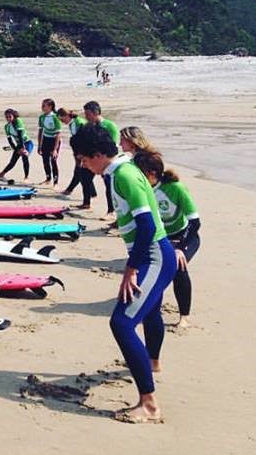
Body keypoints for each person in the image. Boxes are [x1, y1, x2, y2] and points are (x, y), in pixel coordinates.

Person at [71, 123, 176, 424]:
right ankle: (152, 362)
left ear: (99, 154)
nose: (83, 164)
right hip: (153, 254)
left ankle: (149, 405)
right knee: (151, 312)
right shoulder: (121, 169)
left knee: (122, 323)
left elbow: (145, 226)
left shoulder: (124, 175)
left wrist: (131, 270)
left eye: (83, 158)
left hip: (153, 256)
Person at [133, 150, 201, 330]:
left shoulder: (175, 188)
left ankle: (184, 316)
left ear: (151, 173)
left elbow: (195, 222)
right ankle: (149, 306)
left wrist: (180, 248)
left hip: (185, 236)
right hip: (159, 238)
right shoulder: (140, 189)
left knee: (179, 266)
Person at [85, 101, 121, 218]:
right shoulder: (91, 126)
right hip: (95, 160)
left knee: (109, 186)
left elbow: (113, 145)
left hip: (108, 161)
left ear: (95, 113)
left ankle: (111, 211)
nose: (86, 117)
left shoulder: (109, 126)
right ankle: (88, 201)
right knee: (85, 179)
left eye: (88, 114)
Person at [58, 107, 97, 209]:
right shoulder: (73, 123)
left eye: (62, 119)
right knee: (83, 173)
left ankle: (85, 199)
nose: (62, 122)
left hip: (86, 151)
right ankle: (91, 194)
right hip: (83, 151)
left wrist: (78, 155)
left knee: (83, 173)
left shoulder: (77, 123)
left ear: (67, 116)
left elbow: (80, 140)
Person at [0, 108, 31, 180]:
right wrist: (15, 149)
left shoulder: (18, 121)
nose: (8, 118)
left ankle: (26, 177)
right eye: (6, 117)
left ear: (14, 116)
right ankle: (2, 174)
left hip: (27, 143)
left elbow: (20, 136)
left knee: (24, 157)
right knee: (13, 161)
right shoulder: (7, 127)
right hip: (19, 144)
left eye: (10, 116)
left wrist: (22, 149)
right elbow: (10, 140)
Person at [37, 98, 61, 186]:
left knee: (53, 161)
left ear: (50, 107)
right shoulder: (42, 117)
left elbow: (58, 134)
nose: (42, 107)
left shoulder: (55, 117)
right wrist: (39, 145)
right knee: (45, 160)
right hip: (46, 139)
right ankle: (48, 179)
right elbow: (40, 132)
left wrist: (55, 149)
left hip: (54, 140)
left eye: (44, 106)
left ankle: (56, 182)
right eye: (42, 105)